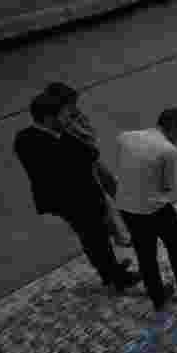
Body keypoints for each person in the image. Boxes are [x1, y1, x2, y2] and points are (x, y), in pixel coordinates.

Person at [14, 84, 140, 292]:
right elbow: (87, 155)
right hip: (73, 201)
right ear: (48, 118)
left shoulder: (44, 136)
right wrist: (73, 138)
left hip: (81, 194)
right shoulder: (39, 141)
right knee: (94, 238)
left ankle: (109, 268)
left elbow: (88, 153)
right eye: (64, 116)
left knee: (95, 236)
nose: (68, 119)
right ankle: (115, 277)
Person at [116, 108, 177, 312]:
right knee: (176, 246)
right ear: (174, 128)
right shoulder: (167, 150)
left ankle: (157, 296)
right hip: (154, 209)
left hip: (126, 207)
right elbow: (166, 187)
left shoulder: (125, 137)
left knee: (145, 253)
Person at [54, 84, 132, 248]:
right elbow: (84, 135)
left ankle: (130, 218)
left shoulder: (74, 113)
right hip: (80, 165)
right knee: (103, 199)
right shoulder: (58, 121)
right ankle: (120, 236)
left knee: (112, 184)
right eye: (70, 103)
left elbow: (89, 132)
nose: (74, 105)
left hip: (92, 157)